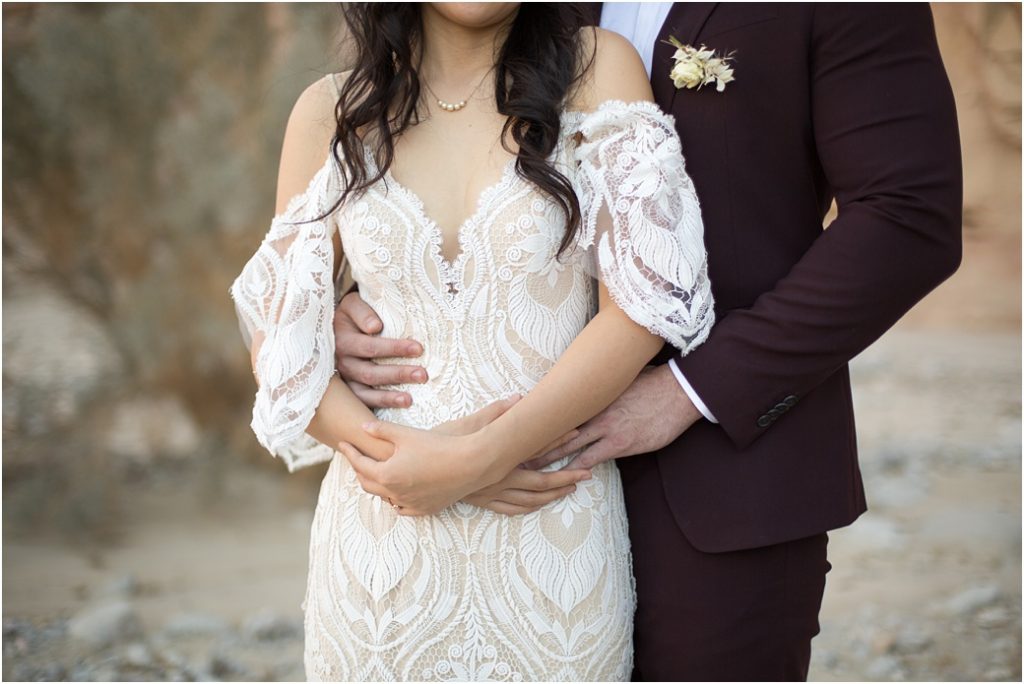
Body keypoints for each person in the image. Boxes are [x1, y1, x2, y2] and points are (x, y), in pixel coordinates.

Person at [333, 2, 964, 680]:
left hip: (721, 476)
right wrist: (365, 293)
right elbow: (421, 138)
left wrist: (695, 389)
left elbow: (908, 218)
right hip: (500, 477)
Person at [230, 3, 714, 680]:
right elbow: (282, 342)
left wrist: (479, 458)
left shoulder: (598, 69)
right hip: (383, 549)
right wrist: (402, 465)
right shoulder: (330, 111)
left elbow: (641, 308)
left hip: (554, 543)